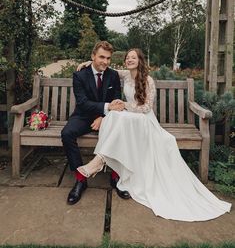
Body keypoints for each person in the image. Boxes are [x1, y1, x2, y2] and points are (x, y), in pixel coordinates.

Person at [77, 48, 232, 221]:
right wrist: (88, 63)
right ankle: (101, 160)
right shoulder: (125, 75)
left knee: (116, 115)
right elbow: (104, 68)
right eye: (127, 58)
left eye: (133, 58)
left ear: (140, 60)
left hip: (144, 120)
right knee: (113, 115)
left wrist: (124, 106)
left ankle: (100, 160)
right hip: (130, 120)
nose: (129, 60)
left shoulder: (148, 80)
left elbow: (146, 108)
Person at [61, 41, 130, 205]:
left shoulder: (112, 75)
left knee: (120, 132)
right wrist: (105, 108)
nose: (105, 62)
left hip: (108, 117)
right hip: (83, 115)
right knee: (67, 133)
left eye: (108, 58)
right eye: (101, 57)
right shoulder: (80, 75)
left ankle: (116, 177)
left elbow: (117, 101)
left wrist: (104, 117)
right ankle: (80, 180)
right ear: (93, 56)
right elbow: (83, 102)